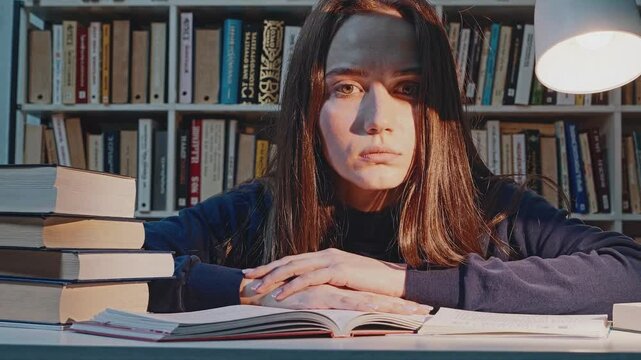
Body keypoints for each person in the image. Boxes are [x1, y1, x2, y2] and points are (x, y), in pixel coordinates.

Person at [145, 0, 641, 317]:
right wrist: (269, 292)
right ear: (309, 107)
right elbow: (102, 266)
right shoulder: (252, 211)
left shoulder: (496, 212)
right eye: (347, 87)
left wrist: (401, 282)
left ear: (438, 107)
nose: (377, 118)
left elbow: (630, 269)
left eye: (408, 89)